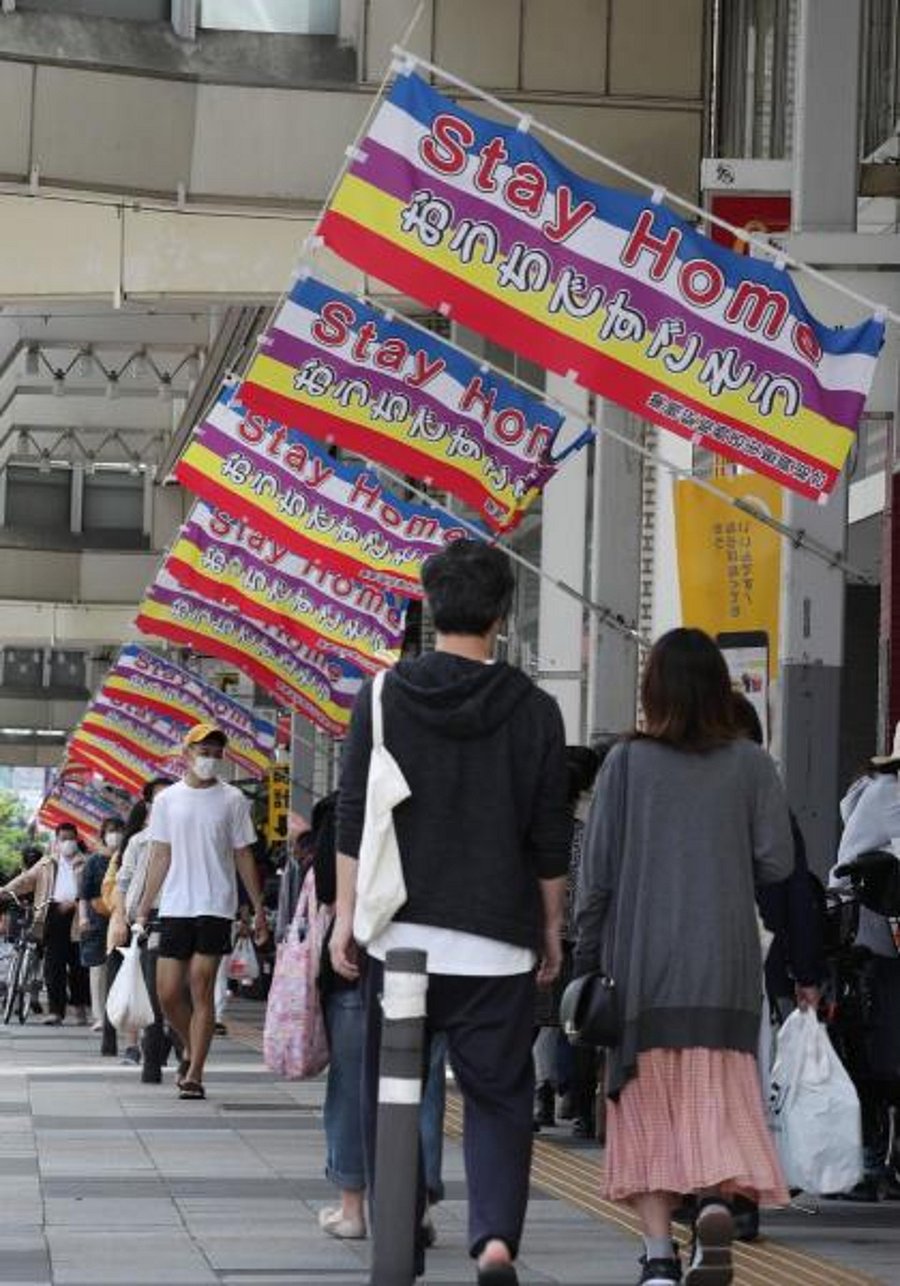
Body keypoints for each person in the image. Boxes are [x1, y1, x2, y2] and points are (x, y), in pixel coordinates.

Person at [332, 539, 571, 1286]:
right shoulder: (536, 710)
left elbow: (351, 817)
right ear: (503, 614)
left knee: (394, 1088)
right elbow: (549, 834)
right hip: (496, 942)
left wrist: (343, 919)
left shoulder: (381, 695)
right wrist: (552, 927)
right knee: (499, 1098)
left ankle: (396, 1239)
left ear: (432, 609)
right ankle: (495, 1240)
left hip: (400, 936)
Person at [575, 628, 793, 1286]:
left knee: (646, 1109)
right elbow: (778, 861)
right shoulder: (751, 763)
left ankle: (658, 1258)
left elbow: (598, 872)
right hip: (723, 966)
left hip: (643, 969)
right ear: (719, 690)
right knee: (718, 1099)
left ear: (653, 690)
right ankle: (716, 1209)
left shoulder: (626, 764)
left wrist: (585, 953)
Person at [134, 724, 268, 1101]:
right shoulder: (167, 801)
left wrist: (257, 908)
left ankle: (194, 1072)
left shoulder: (233, 800)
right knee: (167, 993)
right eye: (203, 750)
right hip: (175, 905)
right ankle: (190, 1043)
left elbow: (244, 854)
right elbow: (159, 854)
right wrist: (144, 906)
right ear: (186, 752)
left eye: (216, 752)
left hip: (216, 904)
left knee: (202, 985)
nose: (210, 758)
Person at [827, 724, 900, 1201]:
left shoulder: (874, 790)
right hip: (879, 939)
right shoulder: (893, 797)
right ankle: (874, 1159)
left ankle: (874, 1157)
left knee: (873, 1050)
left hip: (865, 940)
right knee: (883, 1053)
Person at [109, 778, 174, 1081]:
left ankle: (176, 1042)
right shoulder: (138, 841)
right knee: (150, 988)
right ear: (147, 805)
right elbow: (122, 883)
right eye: (156, 800)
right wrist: (122, 918)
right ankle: (150, 1055)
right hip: (144, 922)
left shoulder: (188, 839)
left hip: (180, 917)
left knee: (175, 991)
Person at [2, 822, 91, 1026]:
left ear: (77, 840)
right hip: (52, 915)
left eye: (71, 838)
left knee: (78, 966)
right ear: (56, 840)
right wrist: (5, 891)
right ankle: (55, 1011)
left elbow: (92, 889)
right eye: (63, 838)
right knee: (53, 965)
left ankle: (80, 1009)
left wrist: (75, 903)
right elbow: (25, 880)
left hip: (78, 916)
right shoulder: (47, 863)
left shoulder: (85, 863)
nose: (67, 842)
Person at [79, 816, 125, 1032]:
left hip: (122, 919)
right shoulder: (93, 861)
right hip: (97, 921)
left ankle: (118, 1014)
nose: (114, 834)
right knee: (98, 970)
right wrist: (83, 918)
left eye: (118, 830)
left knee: (122, 969)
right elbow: (84, 894)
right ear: (103, 834)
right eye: (110, 830)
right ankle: (99, 1016)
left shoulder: (127, 857)